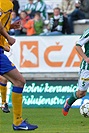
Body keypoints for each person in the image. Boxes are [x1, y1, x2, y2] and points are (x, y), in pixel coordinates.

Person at [0, 0, 38, 130]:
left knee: (18, 81)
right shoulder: (5, 3)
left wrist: (10, 26)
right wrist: (8, 37)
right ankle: (17, 122)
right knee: (19, 81)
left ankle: (18, 122)